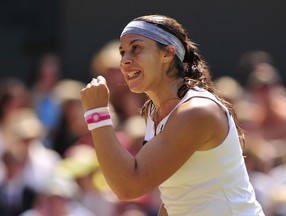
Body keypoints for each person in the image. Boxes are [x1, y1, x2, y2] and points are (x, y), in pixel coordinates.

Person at [80, 14, 264, 216]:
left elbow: (128, 187)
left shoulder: (197, 111)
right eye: (122, 52)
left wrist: (97, 114)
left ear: (167, 54)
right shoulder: (154, 111)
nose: (124, 60)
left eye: (136, 48)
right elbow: (174, 199)